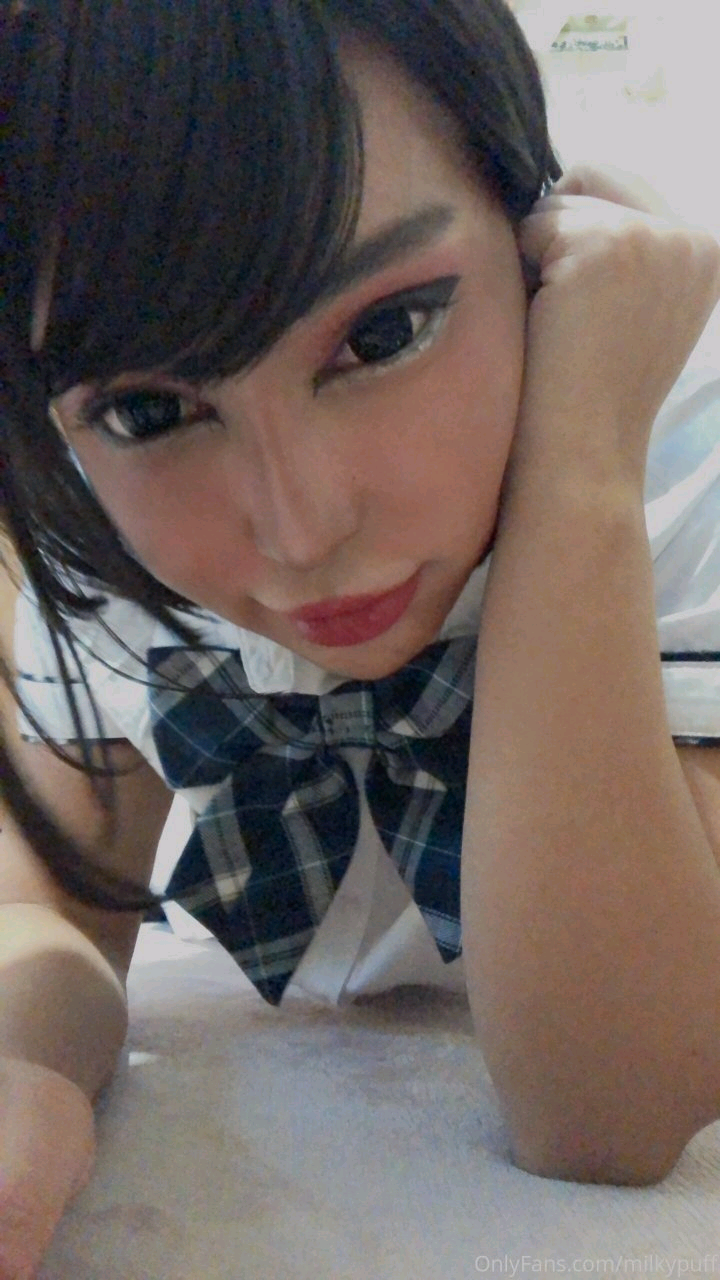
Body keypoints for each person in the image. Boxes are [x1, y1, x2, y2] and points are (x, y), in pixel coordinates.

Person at [1, 0, 720, 1272]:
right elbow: (50, 905)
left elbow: (610, 1108)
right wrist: (27, 1080)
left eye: (384, 333)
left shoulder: (670, 445)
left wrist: (581, 469)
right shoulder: (98, 517)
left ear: (534, 232)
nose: (301, 527)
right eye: (152, 408)